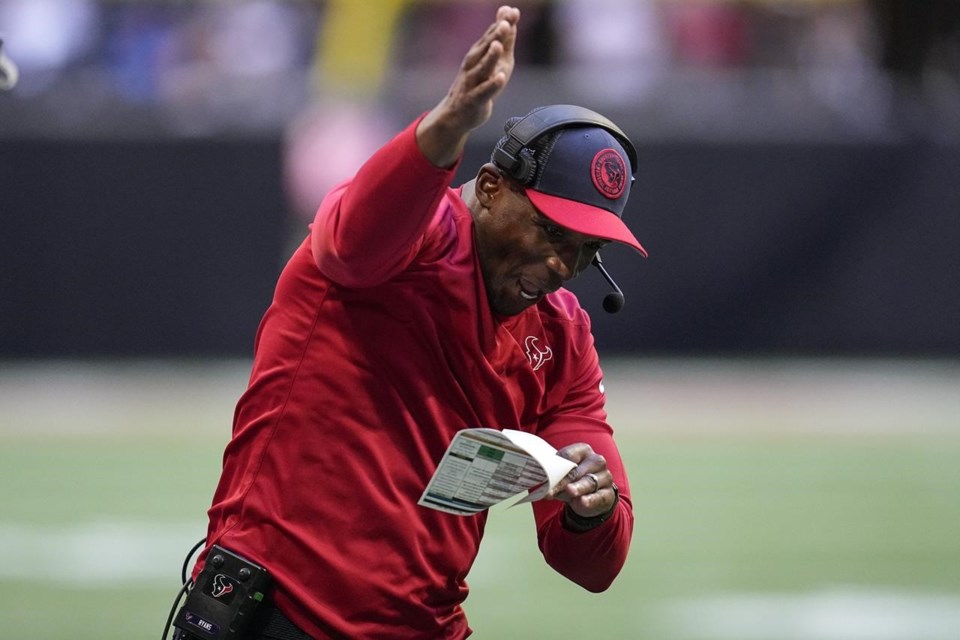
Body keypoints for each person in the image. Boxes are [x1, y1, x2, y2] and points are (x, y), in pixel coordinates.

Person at [181, 6, 646, 639]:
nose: (564, 263)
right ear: (489, 189)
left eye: (589, 250)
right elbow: (352, 239)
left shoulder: (562, 338)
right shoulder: (410, 241)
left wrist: (593, 511)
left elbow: (594, 567)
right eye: (551, 231)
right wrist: (448, 122)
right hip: (279, 615)